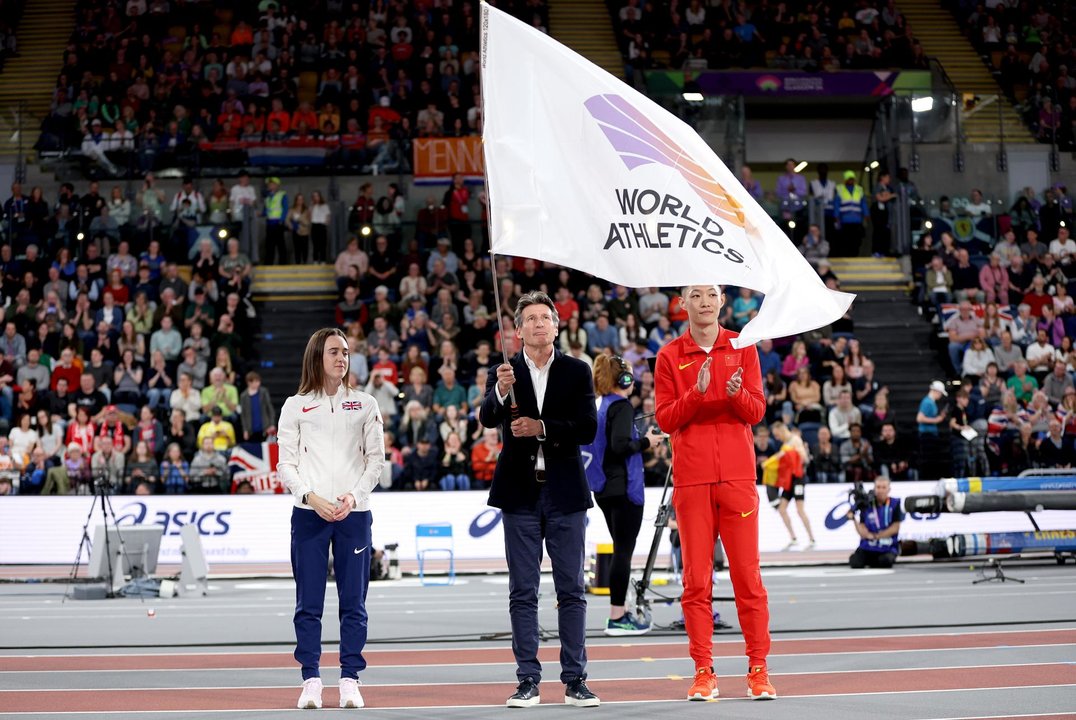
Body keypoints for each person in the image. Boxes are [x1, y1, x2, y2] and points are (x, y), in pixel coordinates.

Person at [478, 291, 600, 708]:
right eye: (529, 319)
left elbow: (587, 427)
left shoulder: (578, 371)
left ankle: (575, 680)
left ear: (557, 325)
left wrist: (543, 427)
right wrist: (498, 390)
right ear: (517, 330)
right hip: (520, 495)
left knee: (572, 590)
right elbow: (486, 418)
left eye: (544, 318)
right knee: (522, 591)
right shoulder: (507, 373)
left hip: (566, 493)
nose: (538, 324)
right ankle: (528, 679)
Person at [654, 285, 775, 702]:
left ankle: (758, 670)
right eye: (695, 295)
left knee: (748, 579)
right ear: (682, 303)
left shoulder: (744, 347)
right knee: (695, 582)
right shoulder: (670, 355)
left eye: (711, 294)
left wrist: (735, 393)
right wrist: (697, 393)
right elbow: (667, 419)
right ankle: (703, 671)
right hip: (691, 481)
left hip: (738, 479)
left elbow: (756, 412)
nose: (704, 302)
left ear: (722, 300)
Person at [276, 328, 385, 710]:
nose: (342, 358)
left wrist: (353, 496)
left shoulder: (366, 404)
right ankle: (310, 680)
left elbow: (376, 461)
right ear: (317, 357)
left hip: (354, 515)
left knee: (354, 602)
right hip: (310, 515)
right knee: (309, 602)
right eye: (334, 352)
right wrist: (310, 497)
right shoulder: (295, 405)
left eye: (345, 352)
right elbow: (285, 464)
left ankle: (350, 680)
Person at [582, 355, 665, 636]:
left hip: (606, 487)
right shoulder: (621, 406)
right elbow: (619, 446)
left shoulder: (603, 405)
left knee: (621, 550)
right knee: (623, 554)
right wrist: (647, 441)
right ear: (624, 380)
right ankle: (618, 616)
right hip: (623, 488)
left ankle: (620, 612)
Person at [767, 422, 815, 550]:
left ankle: (812, 539)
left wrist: (795, 452)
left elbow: (804, 459)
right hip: (789, 480)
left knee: (800, 510)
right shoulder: (784, 445)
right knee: (782, 509)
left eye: (777, 435)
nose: (777, 438)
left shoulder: (795, 440)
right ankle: (793, 538)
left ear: (782, 430)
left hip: (798, 479)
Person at [847, 476, 903, 569]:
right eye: (878, 487)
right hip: (868, 546)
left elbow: (895, 527)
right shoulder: (866, 504)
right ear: (874, 488)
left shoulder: (894, 504)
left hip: (887, 546)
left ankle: (875, 561)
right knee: (855, 562)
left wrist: (877, 536)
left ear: (889, 489)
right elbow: (862, 530)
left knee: (885, 562)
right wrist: (853, 519)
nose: (880, 490)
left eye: (883, 487)